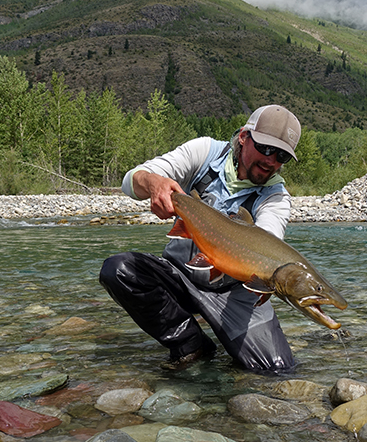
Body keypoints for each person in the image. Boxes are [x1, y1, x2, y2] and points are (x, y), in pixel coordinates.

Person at [99, 104, 301, 372]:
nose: (271, 161)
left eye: (281, 156)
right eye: (265, 148)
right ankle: (190, 343)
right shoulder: (204, 152)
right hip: (180, 277)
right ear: (243, 136)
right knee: (119, 271)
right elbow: (131, 181)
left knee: (274, 370)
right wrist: (153, 184)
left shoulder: (276, 197)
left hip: (235, 294)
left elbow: (269, 243)